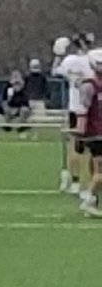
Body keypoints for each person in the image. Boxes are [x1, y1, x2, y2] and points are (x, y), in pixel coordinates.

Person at [53, 34, 95, 194]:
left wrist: (58, 55)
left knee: (76, 146)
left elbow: (56, 71)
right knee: (87, 147)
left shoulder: (71, 60)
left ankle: (76, 181)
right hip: (89, 108)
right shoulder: (91, 59)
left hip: (77, 107)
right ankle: (86, 182)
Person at [75, 50, 102, 216]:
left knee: (97, 171)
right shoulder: (89, 86)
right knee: (100, 171)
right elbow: (83, 111)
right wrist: (80, 132)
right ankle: (89, 199)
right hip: (96, 133)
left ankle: (92, 200)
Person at [5, 70, 32, 137]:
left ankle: (21, 127)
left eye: (17, 84)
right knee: (7, 109)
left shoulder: (25, 90)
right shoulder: (9, 90)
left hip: (23, 108)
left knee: (24, 110)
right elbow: (6, 101)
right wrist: (10, 98)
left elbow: (25, 102)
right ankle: (8, 127)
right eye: (14, 84)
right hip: (12, 108)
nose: (16, 86)